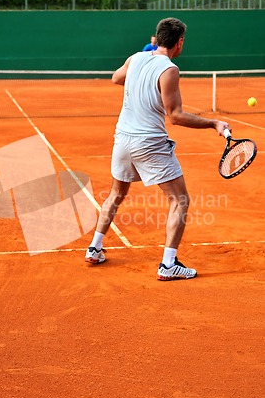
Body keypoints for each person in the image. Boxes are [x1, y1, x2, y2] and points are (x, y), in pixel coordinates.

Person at [85, 17, 231, 281]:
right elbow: (174, 116)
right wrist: (213, 123)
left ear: (158, 37)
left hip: (123, 139)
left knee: (116, 194)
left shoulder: (136, 58)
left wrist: (138, 81)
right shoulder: (170, 69)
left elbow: (115, 78)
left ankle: (94, 248)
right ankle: (168, 264)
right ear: (179, 42)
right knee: (180, 200)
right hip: (149, 143)